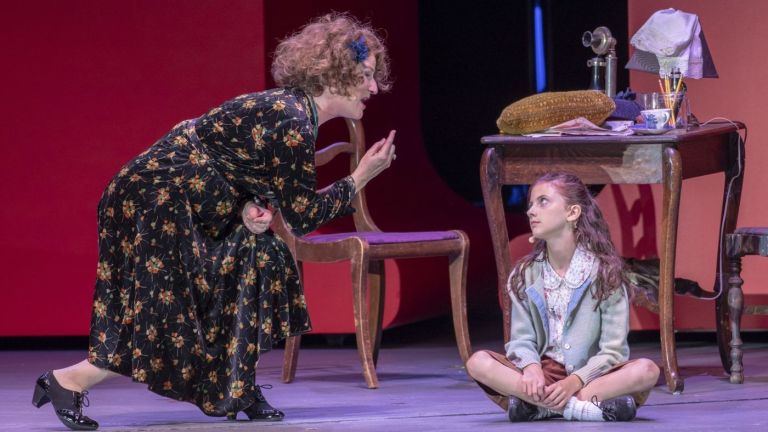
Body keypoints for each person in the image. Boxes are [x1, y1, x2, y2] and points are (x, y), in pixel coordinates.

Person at [32, 13, 396, 431]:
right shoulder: (292, 119)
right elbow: (302, 216)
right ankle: (65, 381)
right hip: (153, 200)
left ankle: (237, 384)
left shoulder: (291, 112)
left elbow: (220, 156)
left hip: (188, 197)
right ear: (335, 76)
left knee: (262, 255)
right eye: (366, 76)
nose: (373, 88)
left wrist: (246, 207)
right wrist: (361, 176)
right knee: (166, 317)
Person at [465, 172, 660, 422]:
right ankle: (580, 409)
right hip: (543, 378)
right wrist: (531, 368)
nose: (531, 211)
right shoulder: (526, 274)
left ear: (572, 213)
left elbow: (613, 352)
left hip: (590, 377)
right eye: (531, 204)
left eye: (543, 201)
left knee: (646, 371)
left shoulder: (604, 273)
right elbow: (521, 339)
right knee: (478, 362)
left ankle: (539, 407)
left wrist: (575, 381)